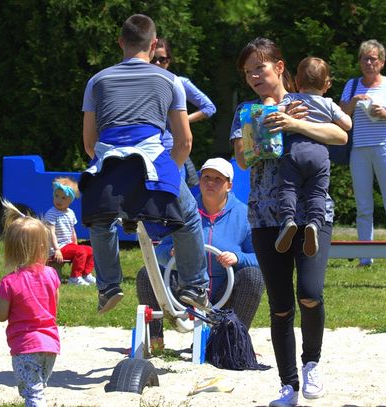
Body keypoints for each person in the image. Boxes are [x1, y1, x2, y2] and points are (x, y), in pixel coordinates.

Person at [231, 37, 347, 406]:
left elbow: (340, 135)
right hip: (266, 217)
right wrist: (266, 127)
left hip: (312, 214)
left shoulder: (306, 102)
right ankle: (288, 385)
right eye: (248, 72)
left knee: (310, 294)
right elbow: (244, 160)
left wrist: (296, 124)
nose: (253, 76)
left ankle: (312, 364)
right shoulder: (246, 111)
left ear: (280, 67)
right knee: (281, 306)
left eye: (259, 68)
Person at [80, 14, 208, 314]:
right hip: (151, 164)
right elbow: (184, 142)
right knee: (188, 215)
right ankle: (194, 285)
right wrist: (169, 174)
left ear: (120, 43)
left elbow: (89, 143)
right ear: (153, 46)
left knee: (99, 219)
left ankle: (108, 286)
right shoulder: (170, 80)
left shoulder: (96, 81)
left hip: (108, 169)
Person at [136, 157, 264, 352]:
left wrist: (238, 258)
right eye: (206, 177)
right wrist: (170, 253)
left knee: (253, 276)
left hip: (225, 290)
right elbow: (158, 251)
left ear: (229, 185)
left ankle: (234, 342)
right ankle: (155, 340)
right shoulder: (183, 211)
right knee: (147, 274)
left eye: (217, 179)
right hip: (185, 290)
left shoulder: (244, 215)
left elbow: (260, 258)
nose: (210, 183)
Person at [339, 39, 386, 270]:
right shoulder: (351, 86)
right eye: (365, 58)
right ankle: (365, 257)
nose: (369, 63)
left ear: (382, 62)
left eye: (373, 59)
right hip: (360, 150)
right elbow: (340, 116)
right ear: (360, 61)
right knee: (363, 206)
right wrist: (354, 101)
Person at [272, 57, 352, 257]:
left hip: (294, 150)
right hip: (319, 154)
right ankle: (315, 224)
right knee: (317, 193)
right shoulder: (329, 103)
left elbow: (274, 112)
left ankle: (287, 221)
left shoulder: (291, 99)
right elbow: (347, 125)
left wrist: (282, 111)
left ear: (297, 83)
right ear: (327, 85)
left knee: (288, 187)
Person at [0, 200, 60, 407]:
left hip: (25, 347)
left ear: (12, 249)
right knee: (36, 388)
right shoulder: (51, 274)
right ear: (43, 246)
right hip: (50, 344)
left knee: (33, 394)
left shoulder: (10, 282)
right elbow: (54, 305)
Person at [152, 37, 217, 187]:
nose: (157, 63)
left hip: (171, 152)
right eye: (153, 59)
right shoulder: (139, 82)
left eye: (162, 59)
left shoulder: (178, 82)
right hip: (146, 151)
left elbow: (209, 107)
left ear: (169, 61)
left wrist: (182, 120)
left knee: (174, 200)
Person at [44, 176, 96, 286]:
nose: (58, 200)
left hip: (67, 246)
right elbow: (50, 233)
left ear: (70, 200)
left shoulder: (70, 213)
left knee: (90, 250)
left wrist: (75, 244)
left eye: (63, 198)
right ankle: (74, 278)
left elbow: (72, 231)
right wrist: (56, 249)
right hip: (57, 248)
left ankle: (85, 274)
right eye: (56, 196)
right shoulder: (52, 213)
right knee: (80, 251)